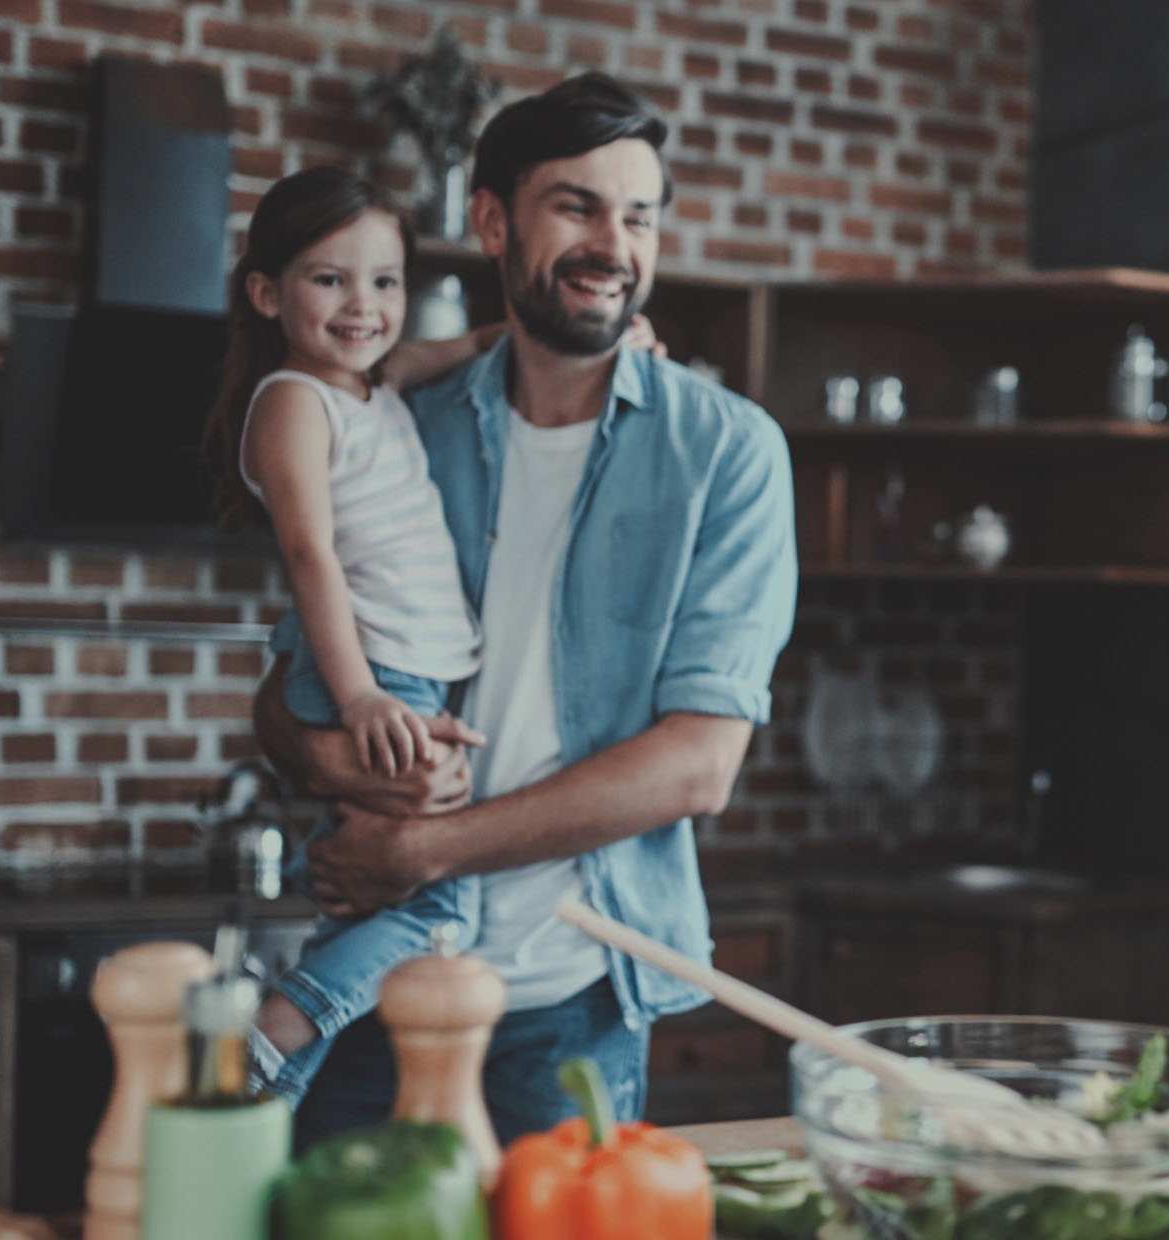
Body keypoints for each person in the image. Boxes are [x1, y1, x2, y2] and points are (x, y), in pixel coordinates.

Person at [250, 72, 796, 1147]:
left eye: (637, 214)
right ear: (491, 219)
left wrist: (429, 849)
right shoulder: (400, 424)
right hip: (377, 978)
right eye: (577, 206)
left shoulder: (725, 453)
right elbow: (286, 691)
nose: (613, 242)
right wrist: (322, 762)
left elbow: (699, 765)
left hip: (570, 1003)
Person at [202, 165, 508, 1103]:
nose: (363, 305)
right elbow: (311, 560)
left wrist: (528, 334)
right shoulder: (294, 401)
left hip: (408, 672)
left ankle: (259, 1095)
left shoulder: (370, 382)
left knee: (389, 892)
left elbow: (456, 348)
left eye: (383, 281)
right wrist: (362, 696)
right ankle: (273, 1030)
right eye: (329, 279)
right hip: (375, 674)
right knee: (445, 902)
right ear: (267, 293)